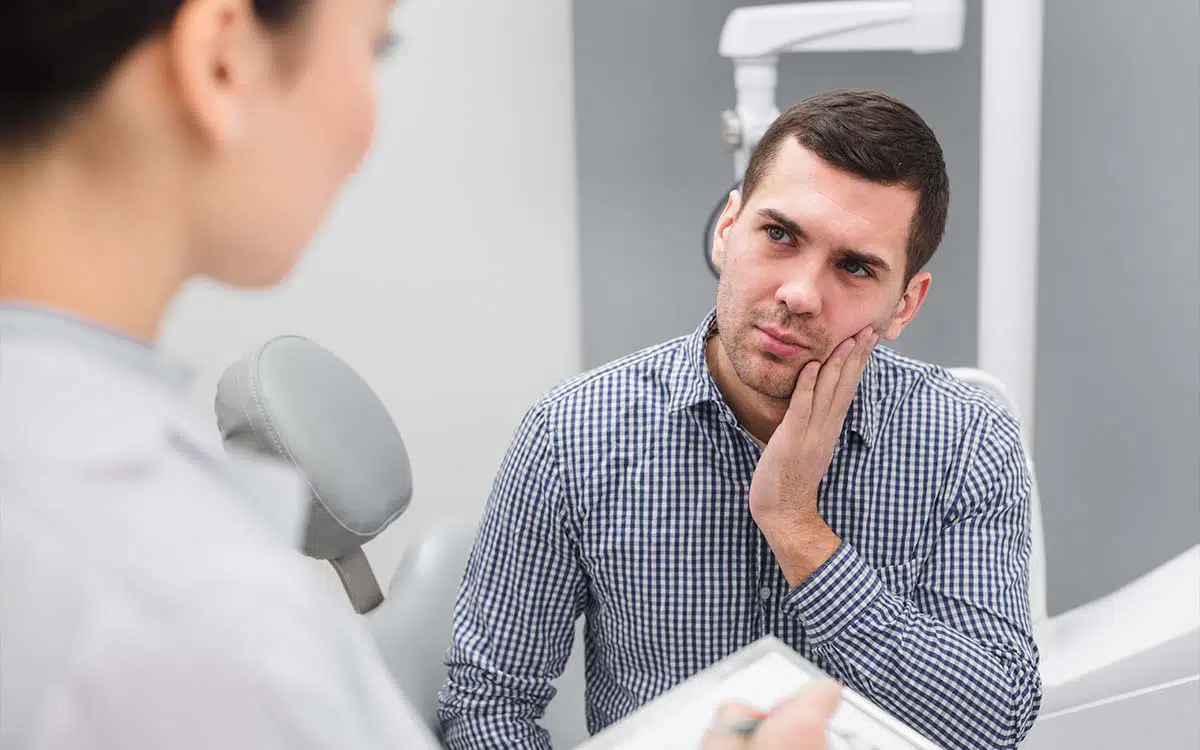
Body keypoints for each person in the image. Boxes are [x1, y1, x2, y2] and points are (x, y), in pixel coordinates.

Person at [0, 1, 841, 749]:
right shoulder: (163, 596)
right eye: (378, 48)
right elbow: (485, 701)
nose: (367, 125)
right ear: (224, 59)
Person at [439, 89, 1043, 750]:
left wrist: (797, 527)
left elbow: (994, 727)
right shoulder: (572, 434)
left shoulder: (968, 442)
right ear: (728, 230)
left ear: (904, 304)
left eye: (854, 267)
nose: (800, 295)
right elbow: (487, 706)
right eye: (779, 234)